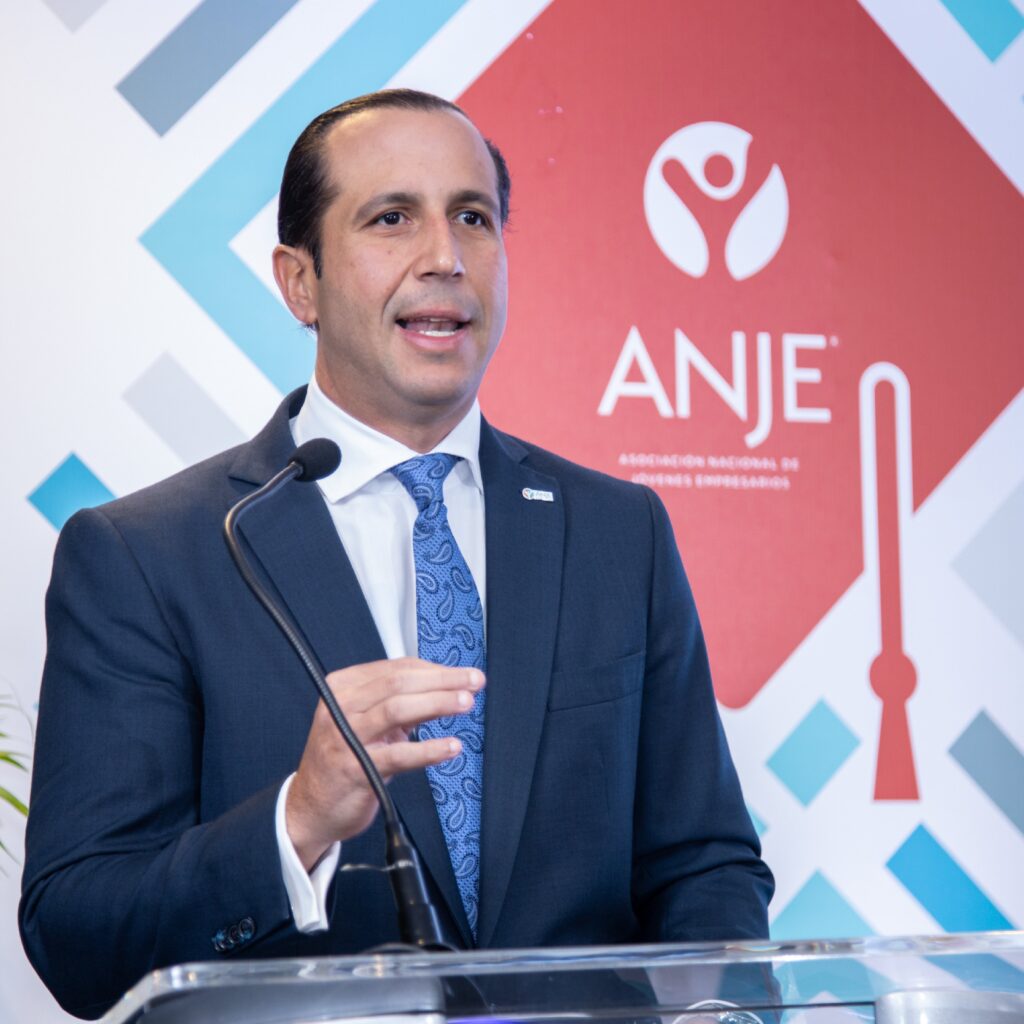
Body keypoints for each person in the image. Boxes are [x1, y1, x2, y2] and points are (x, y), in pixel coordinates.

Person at [19, 90, 773, 1020]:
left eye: (473, 218)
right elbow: (79, 935)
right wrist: (299, 819)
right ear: (300, 282)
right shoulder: (148, 555)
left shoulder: (619, 531)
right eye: (392, 218)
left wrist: (718, 1011)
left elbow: (704, 863)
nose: (445, 257)